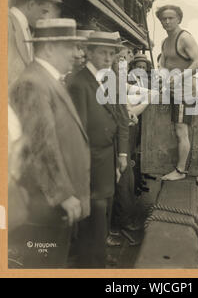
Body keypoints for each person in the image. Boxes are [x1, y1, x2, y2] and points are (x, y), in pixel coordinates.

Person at [9, 18, 91, 268]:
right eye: (71, 46)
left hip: (53, 207)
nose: (78, 54)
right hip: (45, 208)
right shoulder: (33, 83)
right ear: (50, 48)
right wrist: (63, 194)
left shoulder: (49, 79)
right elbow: (39, 144)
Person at [68, 31, 129, 268]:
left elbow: (121, 117)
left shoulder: (108, 79)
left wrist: (121, 154)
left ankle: (98, 255)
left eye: (112, 53)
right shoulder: (79, 83)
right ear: (89, 52)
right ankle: (91, 263)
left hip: (107, 155)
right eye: (102, 52)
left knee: (102, 210)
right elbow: (78, 131)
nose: (108, 57)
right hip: (91, 158)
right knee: (94, 212)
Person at [156, 5, 198, 181]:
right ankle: (172, 165)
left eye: (171, 18)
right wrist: (161, 75)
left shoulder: (184, 38)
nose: (167, 21)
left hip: (185, 92)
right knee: (173, 128)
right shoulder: (164, 42)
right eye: (163, 19)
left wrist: (177, 78)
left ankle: (181, 171)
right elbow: (162, 63)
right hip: (171, 90)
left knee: (181, 130)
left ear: (179, 19)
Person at [8, 0, 62, 88]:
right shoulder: (6, 22)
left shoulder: (27, 29)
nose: (45, 18)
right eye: (44, 12)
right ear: (31, 4)